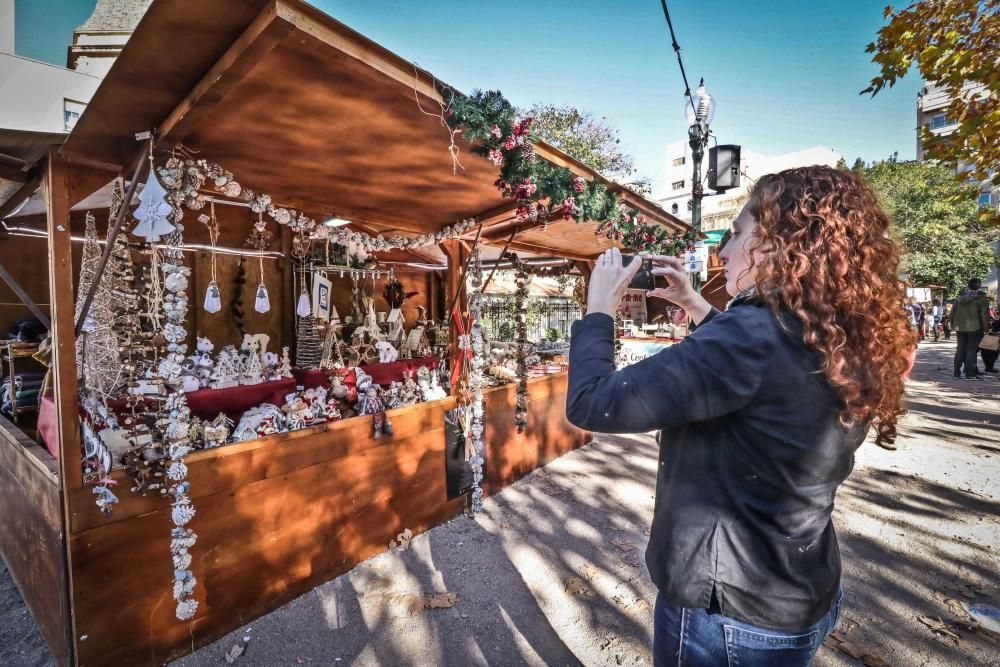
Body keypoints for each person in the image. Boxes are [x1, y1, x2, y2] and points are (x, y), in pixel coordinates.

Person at [567, 166, 913, 666]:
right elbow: (768, 374)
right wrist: (695, 305)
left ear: (781, 242)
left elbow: (594, 401)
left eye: (738, 233)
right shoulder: (836, 333)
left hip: (729, 609)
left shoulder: (752, 337)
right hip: (798, 589)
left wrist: (598, 310)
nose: (723, 252)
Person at [951, 278, 990, 380]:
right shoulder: (981, 298)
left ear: (968, 285)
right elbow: (984, 315)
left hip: (960, 327)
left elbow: (952, 313)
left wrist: (953, 325)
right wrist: (986, 328)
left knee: (960, 349)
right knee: (971, 351)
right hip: (975, 327)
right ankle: (970, 374)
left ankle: (956, 373)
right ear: (979, 286)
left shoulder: (959, 298)